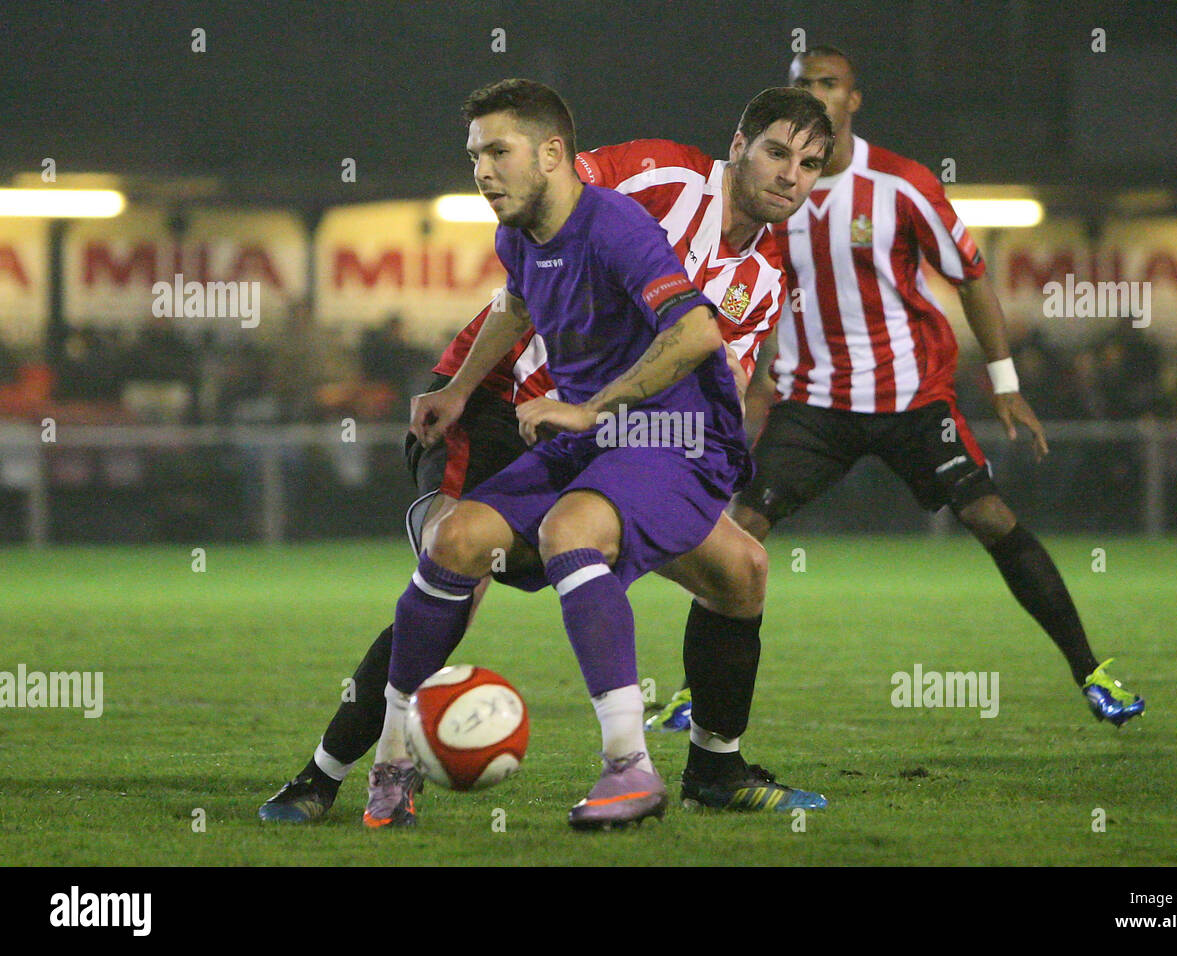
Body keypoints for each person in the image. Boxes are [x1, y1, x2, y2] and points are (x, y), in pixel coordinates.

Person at [259, 81, 834, 828]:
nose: (791, 176)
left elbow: (710, 366)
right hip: (504, 400)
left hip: (611, 431)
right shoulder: (658, 178)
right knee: (454, 565)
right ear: (737, 147)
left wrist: (690, 404)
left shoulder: (763, 274)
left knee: (742, 571)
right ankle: (330, 773)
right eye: (777, 153)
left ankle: (713, 769)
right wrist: (463, 386)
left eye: (811, 164)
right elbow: (543, 221)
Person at [651, 46, 1146, 731]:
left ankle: (1090, 670)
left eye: (829, 85)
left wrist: (1004, 384)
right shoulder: (769, 188)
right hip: (813, 401)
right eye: (803, 85)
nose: (816, 95)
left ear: (854, 99)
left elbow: (971, 276)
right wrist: (757, 382)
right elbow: (754, 290)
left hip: (911, 398)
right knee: (736, 539)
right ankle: (695, 693)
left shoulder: (902, 184)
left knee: (989, 517)